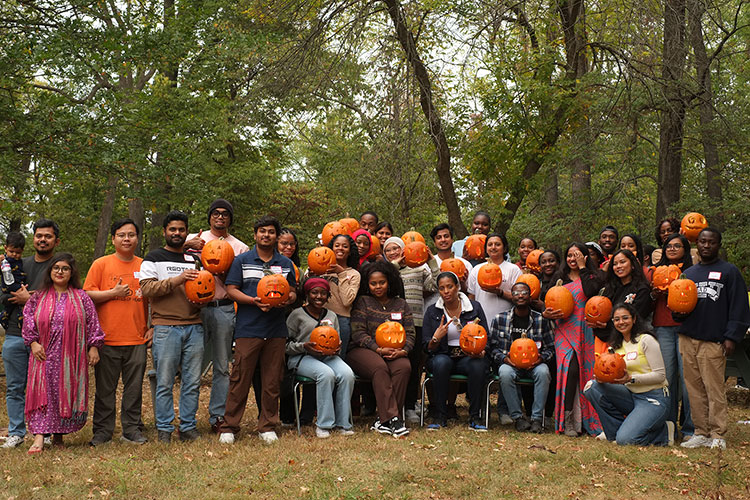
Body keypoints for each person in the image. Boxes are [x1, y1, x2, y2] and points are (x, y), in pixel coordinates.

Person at [219, 216, 297, 445]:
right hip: (248, 328)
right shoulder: (241, 260)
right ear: (255, 235)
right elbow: (231, 289)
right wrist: (253, 301)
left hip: (276, 329)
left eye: (271, 232)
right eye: (262, 231)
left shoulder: (285, 263)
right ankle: (230, 426)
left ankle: (267, 426)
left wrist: (287, 299)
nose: (266, 235)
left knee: (272, 380)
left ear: (276, 236)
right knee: (239, 378)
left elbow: (292, 290)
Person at [676, 228, 750, 450]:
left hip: (714, 340)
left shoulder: (729, 272)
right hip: (688, 337)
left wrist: (731, 336)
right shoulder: (690, 273)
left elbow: (739, 307)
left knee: (714, 388)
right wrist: (676, 313)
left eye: (711, 242)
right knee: (694, 388)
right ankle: (700, 432)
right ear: (697, 244)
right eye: (702, 242)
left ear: (718, 245)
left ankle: (718, 434)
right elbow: (679, 302)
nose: (706, 246)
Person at [22, 253, 104, 453]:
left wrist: (94, 346)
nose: (60, 271)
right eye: (56, 267)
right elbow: (28, 320)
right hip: (43, 354)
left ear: (71, 272)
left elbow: (92, 323)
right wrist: (33, 343)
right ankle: (40, 437)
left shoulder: (82, 297)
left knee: (64, 392)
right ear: (50, 271)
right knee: (43, 393)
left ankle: (58, 435)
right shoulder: (38, 297)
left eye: (65, 268)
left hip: (71, 357)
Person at [184, 199, 249, 433]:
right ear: (210, 217)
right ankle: (187, 420)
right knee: (192, 365)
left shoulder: (240, 248)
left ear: (230, 218)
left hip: (223, 308)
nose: (220, 217)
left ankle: (218, 417)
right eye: (216, 213)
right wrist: (185, 244)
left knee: (222, 365)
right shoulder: (194, 239)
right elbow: (168, 257)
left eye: (225, 214)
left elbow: (242, 281)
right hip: (196, 308)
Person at [139, 210, 205, 444]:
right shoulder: (153, 257)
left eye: (181, 229)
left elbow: (202, 286)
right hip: (166, 327)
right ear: (164, 231)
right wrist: (178, 280)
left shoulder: (192, 259)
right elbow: (147, 289)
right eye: (172, 229)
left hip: (194, 326)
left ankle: (187, 427)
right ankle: (164, 428)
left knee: (192, 381)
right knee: (165, 381)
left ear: (186, 232)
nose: (177, 233)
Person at [84, 219, 151, 446]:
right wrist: (113, 292)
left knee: (134, 389)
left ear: (137, 238)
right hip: (107, 338)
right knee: (105, 390)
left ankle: (131, 429)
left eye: (131, 235)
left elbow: (155, 299)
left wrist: (153, 327)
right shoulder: (101, 264)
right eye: (121, 235)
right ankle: (103, 431)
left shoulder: (145, 265)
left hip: (137, 338)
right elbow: (87, 296)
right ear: (113, 238)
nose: (126, 239)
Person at [1, 219, 60, 449]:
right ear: (33, 238)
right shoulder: (16, 263)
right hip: (16, 333)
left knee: (45, 385)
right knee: (15, 386)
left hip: (47, 336)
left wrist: (29, 298)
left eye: (47, 236)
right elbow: (4, 296)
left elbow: (63, 295)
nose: (42, 239)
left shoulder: (59, 265)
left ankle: (43, 431)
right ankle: (16, 432)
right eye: (39, 235)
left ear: (56, 240)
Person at [584, 303, 670, 446]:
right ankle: (616, 432)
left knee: (627, 440)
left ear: (634, 319)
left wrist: (632, 379)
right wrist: (603, 378)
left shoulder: (646, 340)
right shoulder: (616, 346)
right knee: (592, 387)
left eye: (625, 318)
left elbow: (660, 376)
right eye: (616, 319)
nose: (621, 322)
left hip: (653, 397)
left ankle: (663, 432)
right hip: (631, 396)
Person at [348, 260, 414, 437]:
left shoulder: (401, 305)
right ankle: (394, 418)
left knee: (403, 367)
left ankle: (383, 420)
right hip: (363, 350)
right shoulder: (363, 302)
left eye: (382, 282)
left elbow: (410, 333)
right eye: (373, 283)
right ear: (367, 285)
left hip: (394, 351)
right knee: (379, 367)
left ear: (390, 282)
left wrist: (403, 351)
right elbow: (358, 332)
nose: (378, 286)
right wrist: (378, 349)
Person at [543, 242, 603, 437]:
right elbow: (549, 302)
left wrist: (584, 268)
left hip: (585, 330)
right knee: (570, 370)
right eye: (569, 255)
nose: (572, 259)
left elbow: (590, 292)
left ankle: (587, 420)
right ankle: (568, 419)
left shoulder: (594, 277)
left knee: (586, 374)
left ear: (585, 257)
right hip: (564, 330)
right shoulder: (559, 278)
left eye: (577, 255)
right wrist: (547, 314)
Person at [286, 278, 355, 438]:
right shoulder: (296, 315)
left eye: (323, 293)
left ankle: (343, 423)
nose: (319, 296)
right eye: (314, 292)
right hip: (301, 357)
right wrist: (303, 346)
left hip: (327, 356)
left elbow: (336, 339)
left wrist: (336, 348)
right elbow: (285, 345)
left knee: (347, 374)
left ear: (328, 296)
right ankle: (324, 424)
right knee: (326, 374)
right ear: (307, 295)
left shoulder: (332, 315)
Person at [383, 236, 439, 423]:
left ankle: (409, 406)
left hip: (415, 323)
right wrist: (394, 265)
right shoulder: (387, 272)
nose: (392, 252)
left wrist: (431, 261)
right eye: (388, 250)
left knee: (413, 366)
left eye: (395, 249)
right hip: (391, 326)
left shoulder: (419, 268)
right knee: (394, 367)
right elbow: (384, 282)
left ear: (404, 249)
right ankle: (392, 406)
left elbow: (435, 285)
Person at [422, 272, 489, 430]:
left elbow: (486, 336)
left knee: (478, 365)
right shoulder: (433, 311)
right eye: (442, 288)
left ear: (457, 287)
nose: (446, 291)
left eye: (450, 286)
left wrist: (483, 351)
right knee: (441, 363)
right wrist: (436, 338)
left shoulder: (474, 307)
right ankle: (440, 415)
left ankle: (475, 416)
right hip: (443, 354)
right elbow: (426, 346)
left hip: (467, 355)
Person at [489, 282, 554, 433]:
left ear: (530, 297)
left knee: (543, 372)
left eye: (524, 292)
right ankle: (518, 418)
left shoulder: (541, 320)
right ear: (512, 297)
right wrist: (505, 359)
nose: (520, 296)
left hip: (535, 364)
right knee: (504, 373)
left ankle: (537, 418)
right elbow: (492, 347)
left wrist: (541, 359)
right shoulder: (500, 319)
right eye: (516, 293)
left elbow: (551, 347)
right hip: (510, 363)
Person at [652, 233, 694, 440]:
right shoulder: (656, 272)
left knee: (688, 381)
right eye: (669, 246)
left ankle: (689, 428)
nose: (672, 249)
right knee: (667, 381)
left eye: (677, 246)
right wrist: (654, 293)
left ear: (685, 250)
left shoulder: (692, 272)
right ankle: (668, 427)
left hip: (687, 329)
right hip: (663, 328)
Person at [588, 249, 654, 341]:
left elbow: (637, 317)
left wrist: (608, 325)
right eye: (615, 264)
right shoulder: (610, 289)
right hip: (608, 341)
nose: (618, 266)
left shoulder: (642, 289)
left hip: (634, 340)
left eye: (622, 262)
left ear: (633, 265)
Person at [467, 233, 522, 322]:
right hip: (481, 320)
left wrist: (500, 292)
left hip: (506, 321)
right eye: (490, 245)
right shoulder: (476, 269)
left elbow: (520, 298)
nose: (493, 247)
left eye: (497, 244)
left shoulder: (514, 269)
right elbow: (471, 297)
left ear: (504, 248)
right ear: (486, 248)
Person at [321, 233, 361, 355]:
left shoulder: (354, 274)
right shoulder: (321, 269)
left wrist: (342, 274)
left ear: (350, 251)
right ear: (331, 248)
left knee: (338, 355)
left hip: (341, 319)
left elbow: (347, 301)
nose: (340, 248)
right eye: (337, 245)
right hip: (321, 315)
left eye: (345, 246)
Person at [1, 232, 27, 330]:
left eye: (18, 252)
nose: (14, 254)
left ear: (22, 251)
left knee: (12, 309)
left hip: (17, 285)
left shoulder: (20, 261)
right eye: (11, 251)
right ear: (6, 248)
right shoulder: (5, 260)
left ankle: (6, 320)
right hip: (10, 287)